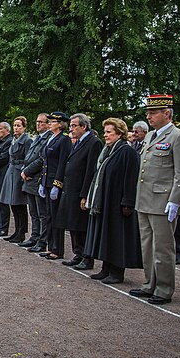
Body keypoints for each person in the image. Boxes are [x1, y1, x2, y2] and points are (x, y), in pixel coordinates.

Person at [131, 94, 180, 305]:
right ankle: (149, 283)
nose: (149, 116)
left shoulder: (179, 136)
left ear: (167, 113)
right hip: (145, 199)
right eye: (148, 112)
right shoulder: (150, 136)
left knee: (163, 247)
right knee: (147, 245)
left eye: (153, 112)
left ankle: (164, 288)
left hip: (163, 200)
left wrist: (175, 199)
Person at [83, 118, 142, 282]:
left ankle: (117, 272)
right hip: (106, 200)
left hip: (118, 202)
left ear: (120, 133)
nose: (106, 135)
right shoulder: (109, 151)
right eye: (105, 132)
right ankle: (106, 268)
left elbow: (131, 177)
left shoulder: (127, 151)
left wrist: (128, 202)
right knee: (106, 235)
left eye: (109, 132)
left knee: (117, 236)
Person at [55, 114, 101, 268]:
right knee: (73, 224)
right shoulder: (78, 142)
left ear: (84, 126)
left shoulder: (93, 143)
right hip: (70, 189)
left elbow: (90, 171)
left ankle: (87, 257)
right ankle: (78, 253)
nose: (71, 128)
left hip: (80, 191)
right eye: (71, 125)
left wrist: (85, 195)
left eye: (75, 125)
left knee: (82, 226)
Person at [39, 112, 72, 261]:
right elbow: (46, 162)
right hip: (46, 181)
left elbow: (62, 163)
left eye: (53, 121)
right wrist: (42, 182)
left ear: (60, 124)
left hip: (54, 182)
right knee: (49, 215)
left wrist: (57, 184)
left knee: (55, 216)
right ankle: (51, 246)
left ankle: (57, 249)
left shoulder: (64, 140)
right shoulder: (51, 139)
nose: (50, 123)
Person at [20, 114, 51, 250]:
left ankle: (42, 240)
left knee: (41, 213)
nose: (38, 124)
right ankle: (34, 236)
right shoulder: (37, 138)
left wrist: (27, 171)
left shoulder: (48, 138)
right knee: (33, 212)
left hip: (37, 178)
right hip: (29, 179)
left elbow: (41, 159)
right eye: (37, 121)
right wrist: (24, 170)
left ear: (48, 124)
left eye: (41, 122)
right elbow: (28, 157)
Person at [0, 117, 32, 243]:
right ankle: (17, 231)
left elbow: (28, 158)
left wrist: (24, 171)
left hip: (19, 173)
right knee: (13, 203)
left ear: (24, 127)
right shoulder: (14, 140)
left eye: (19, 125)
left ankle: (21, 232)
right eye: (15, 125)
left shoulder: (27, 140)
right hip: (11, 171)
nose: (16, 128)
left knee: (20, 205)